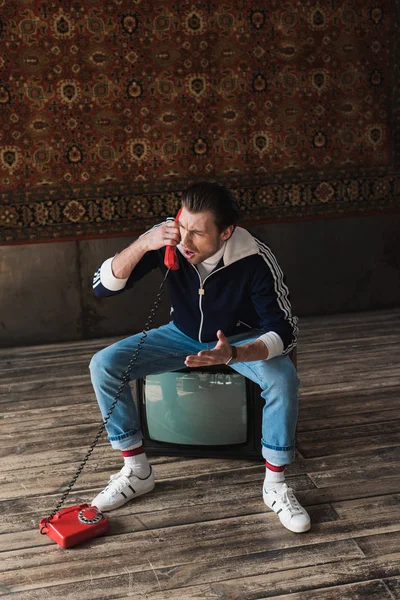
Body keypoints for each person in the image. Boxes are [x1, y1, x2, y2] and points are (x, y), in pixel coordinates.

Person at [90, 181, 310, 533]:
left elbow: (285, 330)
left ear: (226, 233)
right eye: (183, 227)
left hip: (241, 339)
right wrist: (145, 242)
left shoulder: (255, 260)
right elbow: (103, 285)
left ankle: (276, 485)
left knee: (282, 380)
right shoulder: (171, 240)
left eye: (198, 234)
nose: (185, 243)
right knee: (104, 365)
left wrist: (235, 353)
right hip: (181, 333)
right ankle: (137, 471)